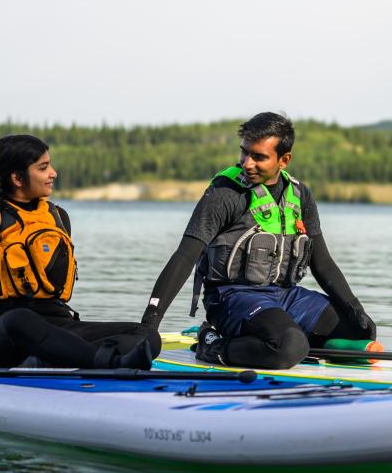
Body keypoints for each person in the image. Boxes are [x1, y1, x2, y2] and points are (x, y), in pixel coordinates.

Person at [140, 111, 375, 369]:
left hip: (285, 296)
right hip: (233, 297)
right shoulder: (225, 193)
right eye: (244, 152)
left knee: (360, 332)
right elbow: (185, 256)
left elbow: (322, 263)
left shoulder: (300, 196)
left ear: (284, 160)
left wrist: (355, 308)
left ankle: (284, 343)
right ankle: (214, 347)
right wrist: (149, 325)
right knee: (290, 345)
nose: (247, 163)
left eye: (259, 157)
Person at [0, 134, 160, 369]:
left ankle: (49, 358)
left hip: (59, 325)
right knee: (21, 319)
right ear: (17, 178)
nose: (53, 173)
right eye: (43, 167)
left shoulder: (58, 217)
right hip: (0, 332)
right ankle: (107, 361)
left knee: (146, 335)